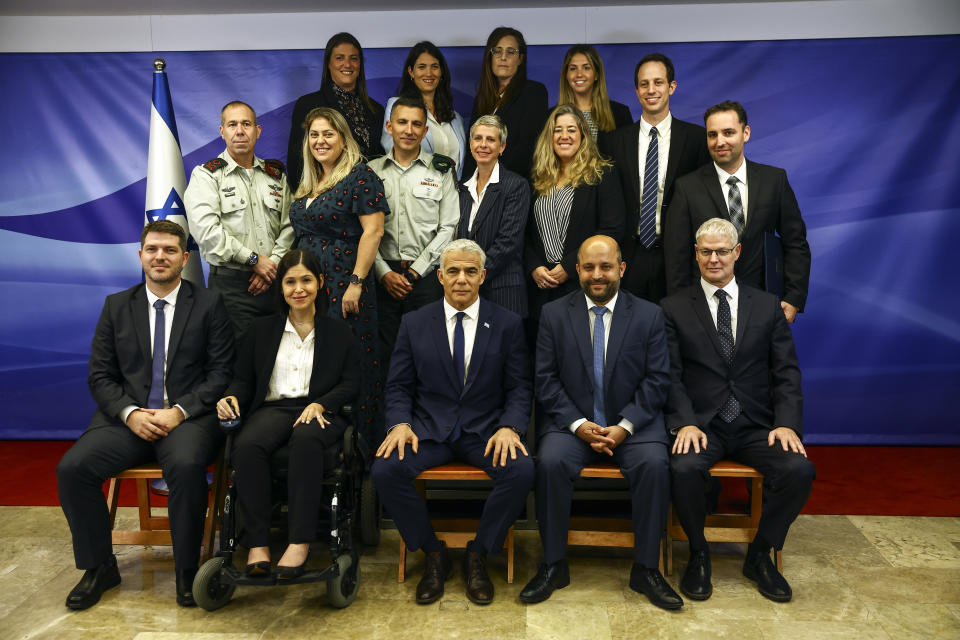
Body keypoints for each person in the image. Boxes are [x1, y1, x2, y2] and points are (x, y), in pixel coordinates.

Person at [56, 220, 234, 609]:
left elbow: (221, 372)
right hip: (127, 421)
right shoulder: (117, 305)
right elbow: (100, 375)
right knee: (73, 468)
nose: (160, 257)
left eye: (170, 250)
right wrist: (130, 413)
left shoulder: (208, 304)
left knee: (187, 466)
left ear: (184, 258)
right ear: (140, 256)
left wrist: (180, 412)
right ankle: (99, 566)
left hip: (187, 419)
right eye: (152, 249)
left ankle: (188, 571)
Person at [520, 235, 680, 610]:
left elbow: (658, 379)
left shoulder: (649, 314)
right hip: (571, 425)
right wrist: (578, 424)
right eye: (589, 267)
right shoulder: (554, 314)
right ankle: (554, 564)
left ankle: (646, 569)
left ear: (621, 269)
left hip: (632, 426)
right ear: (577, 270)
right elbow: (544, 379)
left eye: (606, 266)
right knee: (550, 461)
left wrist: (625, 426)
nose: (598, 275)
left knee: (656, 465)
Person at [371, 239, 533, 606]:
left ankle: (479, 553)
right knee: (384, 471)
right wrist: (399, 423)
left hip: (486, 434)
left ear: (483, 277)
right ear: (440, 276)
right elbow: (398, 384)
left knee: (522, 471)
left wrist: (510, 427)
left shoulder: (507, 324)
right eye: (454, 271)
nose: (462, 279)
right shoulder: (414, 323)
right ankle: (433, 553)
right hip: (427, 432)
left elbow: (520, 387)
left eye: (471, 271)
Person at [662, 217, 815, 603]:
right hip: (702, 425)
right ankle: (698, 552)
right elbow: (669, 376)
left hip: (756, 426)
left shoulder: (766, 307)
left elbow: (786, 372)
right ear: (695, 255)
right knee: (683, 468)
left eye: (722, 251)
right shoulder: (673, 307)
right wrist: (683, 423)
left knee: (799, 470)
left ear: (737, 253)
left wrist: (786, 424)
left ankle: (761, 552)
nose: (714, 259)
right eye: (706, 252)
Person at [217, 249, 359, 579]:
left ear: (320, 283)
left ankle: (299, 541)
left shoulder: (339, 333)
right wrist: (231, 397)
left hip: (320, 411)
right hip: (273, 408)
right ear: (280, 287)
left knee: (307, 440)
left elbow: (352, 383)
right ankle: (258, 543)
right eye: (290, 281)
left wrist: (322, 403)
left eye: (306, 280)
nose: (299, 289)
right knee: (247, 445)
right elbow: (242, 379)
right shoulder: (260, 331)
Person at [288, 107, 386, 443]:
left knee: (353, 362)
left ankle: (363, 448)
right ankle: (316, 439)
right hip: (308, 291)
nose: (320, 141)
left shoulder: (361, 177)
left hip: (345, 286)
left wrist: (355, 283)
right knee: (315, 364)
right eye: (314, 135)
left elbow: (373, 232)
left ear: (343, 138)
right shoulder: (307, 182)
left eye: (328, 134)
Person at [664, 101, 811, 323]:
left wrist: (793, 299)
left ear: (746, 133)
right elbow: (676, 257)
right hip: (704, 311)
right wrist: (682, 311)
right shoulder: (687, 188)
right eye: (712, 134)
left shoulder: (774, 181)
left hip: (763, 307)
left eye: (728, 132)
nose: (719, 141)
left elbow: (796, 243)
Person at [600, 53, 710, 304]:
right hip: (628, 256)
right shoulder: (614, 142)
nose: (651, 90)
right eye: (644, 84)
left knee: (674, 333)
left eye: (658, 82)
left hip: (677, 258)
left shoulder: (695, 140)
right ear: (637, 89)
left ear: (671, 87)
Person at [184, 100, 294, 336]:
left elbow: (291, 226)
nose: (240, 131)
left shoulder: (275, 176)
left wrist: (271, 265)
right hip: (230, 287)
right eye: (232, 124)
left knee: (275, 357)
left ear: (258, 131)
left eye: (246, 124)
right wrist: (254, 260)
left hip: (275, 283)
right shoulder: (206, 175)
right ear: (222, 132)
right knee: (238, 363)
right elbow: (206, 231)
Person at [368, 97, 459, 374]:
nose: (409, 130)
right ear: (389, 126)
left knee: (429, 356)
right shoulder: (370, 172)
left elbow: (449, 227)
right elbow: (364, 231)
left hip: (427, 276)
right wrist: (384, 273)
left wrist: (416, 272)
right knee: (386, 356)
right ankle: (389, 417)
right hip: (384, 278)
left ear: (425, 131)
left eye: (416, 124)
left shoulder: (441, 169)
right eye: (402, 122)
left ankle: (427, 417)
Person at [525, 104, 624, 334]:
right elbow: (524, 232)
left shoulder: (602, 174)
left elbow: (612, 229)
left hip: (583, 285)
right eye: (558, 130)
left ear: (583, 135)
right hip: (540, 288)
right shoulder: (536, 178)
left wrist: (570, 266)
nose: (564, 136)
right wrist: (534, 267)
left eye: (571, 130)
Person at [286, 32, 385, 192]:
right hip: (326, 200)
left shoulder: (376, 109)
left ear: (360, 64)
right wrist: (308, 202)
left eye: (354, 58)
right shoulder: (308, 104)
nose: (347, 64)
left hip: (369, 198)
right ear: (329, 64)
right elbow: (297, 161)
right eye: (340, 58)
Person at [458, 114, 530, 317]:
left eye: (491, 139)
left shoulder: (516, 186)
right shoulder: (461, 188)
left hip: (503, 291)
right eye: (478, 138)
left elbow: (507, 243)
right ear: (470, 144)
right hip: (466, 292)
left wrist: (473, 275)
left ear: (502, 147)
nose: (483, 145)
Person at [463, 26, 548, 180]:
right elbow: (471, 150)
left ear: (520, 58)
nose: (503, 57)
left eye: (510, 52)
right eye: (497, 51)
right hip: (477, 188)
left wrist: (490, 180)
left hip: (513, 187)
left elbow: (527, 149)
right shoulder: (482, 98)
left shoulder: (534, 92)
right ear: (490, 56)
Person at [381, 41, 467, 179]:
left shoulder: (455, 118)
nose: (429, 73)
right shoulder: (396, 106)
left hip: (454, 197)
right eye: (422, 67)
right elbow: (394, 153)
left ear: (441, 72)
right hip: (415, 196)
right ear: (411, 71)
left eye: (435, 67)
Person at [554, 44, 633, 141]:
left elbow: (628, 153)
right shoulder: (552, 116)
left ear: (596, 74)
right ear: (566, 75)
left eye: (586, 68)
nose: (579, 74)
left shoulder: (620, 114)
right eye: (573, 68)